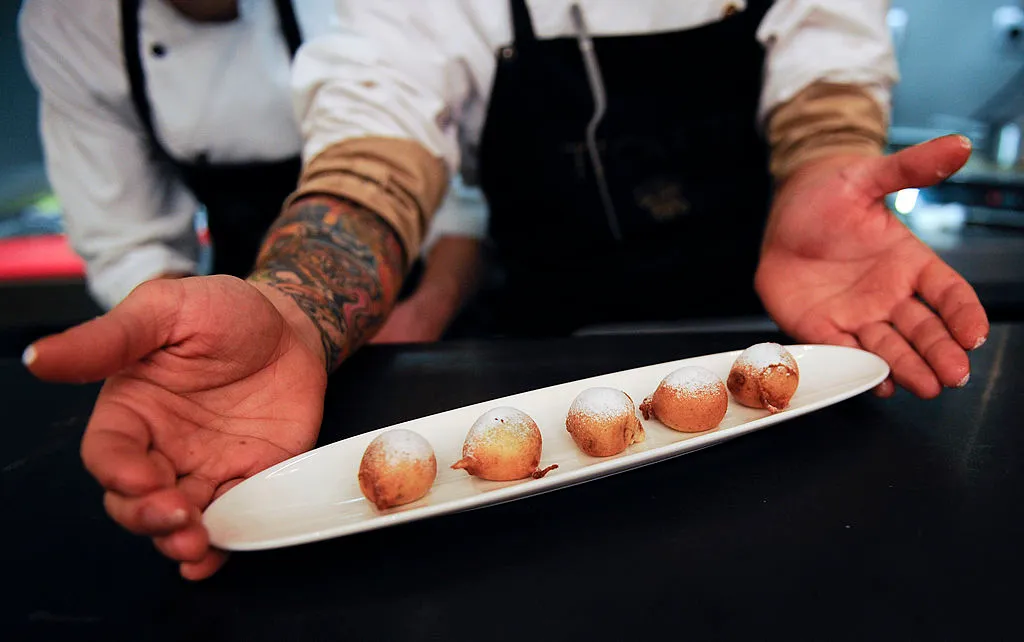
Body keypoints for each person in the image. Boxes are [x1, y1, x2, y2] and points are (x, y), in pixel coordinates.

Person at [23, 0, 989, 580]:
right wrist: (293, 308)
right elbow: (379, 146)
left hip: (781, 343)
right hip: (537, 350)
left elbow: (828, 72)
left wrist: (829, 159)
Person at [18, 0, 487, 342]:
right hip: (232, 298)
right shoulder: (69, 22)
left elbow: (423, 162)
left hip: (412, 294)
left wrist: (426, 313)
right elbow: (128, 243)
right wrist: (196, 339)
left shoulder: (363, 18)